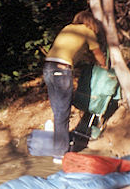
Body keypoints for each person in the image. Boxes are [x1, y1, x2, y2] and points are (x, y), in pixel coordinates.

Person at [43, 11, 107, 157]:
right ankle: (60, 153)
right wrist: (105, 66)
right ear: (91, 22)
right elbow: (97, 52)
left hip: (48, 67)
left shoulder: (68, 28)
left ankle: (57, 140)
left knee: (58, 110)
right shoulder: (87, 31)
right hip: (61, 70)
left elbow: (75, 51)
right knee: (63, 112)